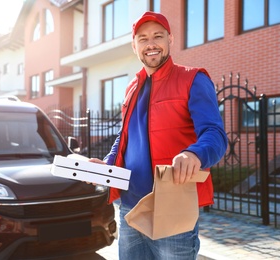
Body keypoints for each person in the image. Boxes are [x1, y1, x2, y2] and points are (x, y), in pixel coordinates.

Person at [89, 11, 228, 259]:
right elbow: (125, 137)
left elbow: (215, 134)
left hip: (172, 207)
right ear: (134, 46)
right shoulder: (132, 88)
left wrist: (193, 154)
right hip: (130, 208)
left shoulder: (193, 79)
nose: (150, 44)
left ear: (170, 39)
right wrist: (107, 165)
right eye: (143, 39)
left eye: (157, 36)